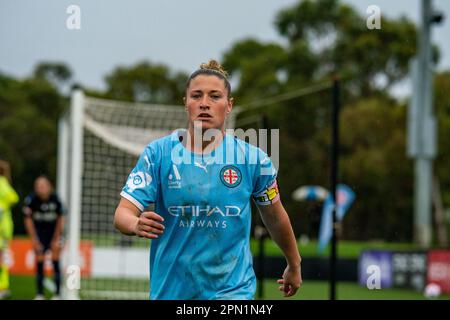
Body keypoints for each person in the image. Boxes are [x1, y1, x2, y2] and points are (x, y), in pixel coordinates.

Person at [114, 60, 302, 300]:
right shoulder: (158, 155)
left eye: (215, 96)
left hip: (233, 292)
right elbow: (122, 214)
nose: (204, 104)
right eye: (196, 96)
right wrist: (135, 224)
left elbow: (275, 217)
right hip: (171, 291)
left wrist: (294, 264)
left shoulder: (254, 160)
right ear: (186, 103)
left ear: (229, 105)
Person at [23, 175, 64, 300]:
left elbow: (60, 219)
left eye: (42, 186)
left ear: (49, 187)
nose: (40, 189)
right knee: (39, 262)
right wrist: (35, 240)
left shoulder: (56, 199)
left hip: (54, 234)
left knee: (55, 261)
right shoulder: (31, 200)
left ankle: (57, 294)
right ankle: (40, 294)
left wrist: (56, 239)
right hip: (40, 235)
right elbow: (28, 220)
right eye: (37, 186)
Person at [0, 160, 19, 299]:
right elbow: (14, 198)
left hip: (3, 228)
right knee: (2, 257)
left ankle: (3, 287)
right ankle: (3, 286)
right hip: (4, 228)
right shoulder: (4, 183)